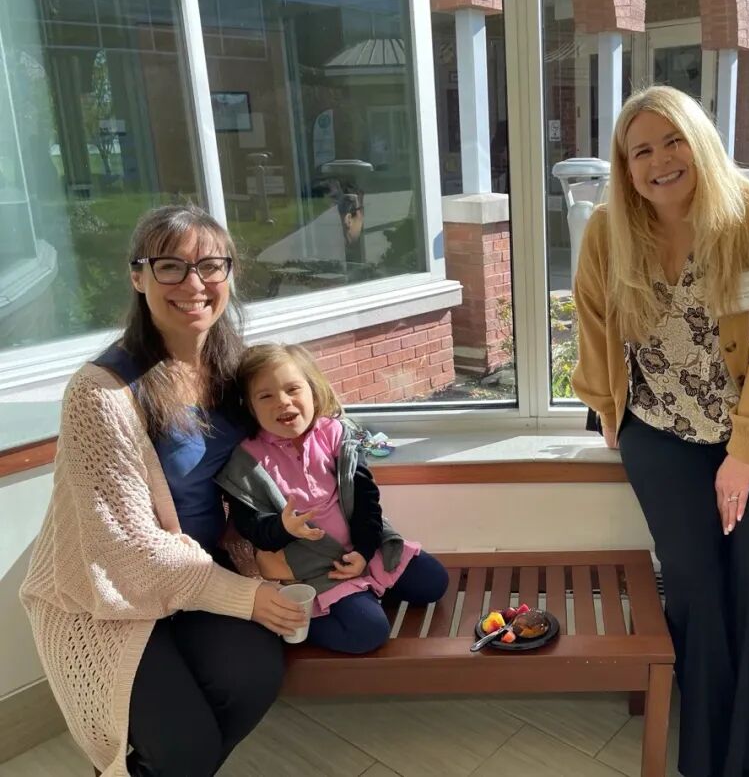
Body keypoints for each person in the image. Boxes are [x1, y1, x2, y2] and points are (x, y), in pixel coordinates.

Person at [572, 85, 749, 777]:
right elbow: (593, 322)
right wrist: (608, 408)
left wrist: (743, 454)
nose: (660, 161)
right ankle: (705, 758)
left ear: (702, 142)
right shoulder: (607, 231)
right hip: (665, 433)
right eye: (641, 151)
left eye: (674, 141)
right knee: (693, 585)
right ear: (625, 166)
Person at [19, 204, 308, 776]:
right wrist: (246, 596)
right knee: (186, 749)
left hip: (201, 572)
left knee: (253, 678)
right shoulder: (100, 392)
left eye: (211, 266)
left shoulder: (233, 371)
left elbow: (291, 446)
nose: (194, 285)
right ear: (138, 276)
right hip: (109, 592)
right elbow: (125, 547)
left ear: (229, 275)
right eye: (171, 266)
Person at [217, 343, 449, 654]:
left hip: (365, 547)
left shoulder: (336, 433)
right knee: (369, 632)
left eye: (292, 389)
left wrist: (364, 551)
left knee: (434, 582)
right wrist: (284, 528)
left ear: (313, 392)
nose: (283, 401)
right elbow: (252, 528)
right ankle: (305, 619)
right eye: (266, 396)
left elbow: (367, 502)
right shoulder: (246, 460)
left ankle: (366, 591)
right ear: (250, 407)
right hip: (315, 568)